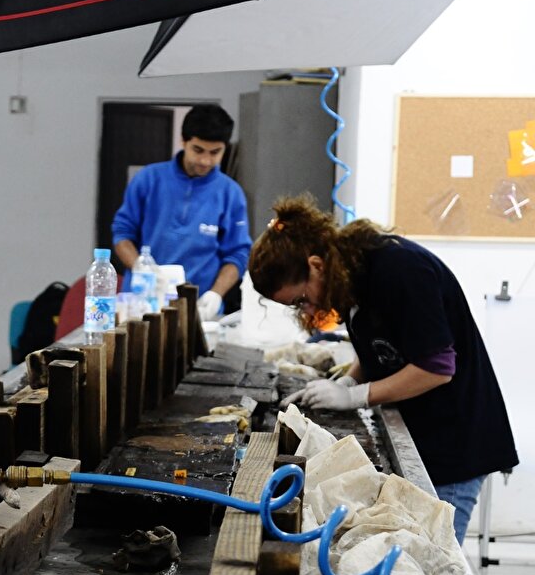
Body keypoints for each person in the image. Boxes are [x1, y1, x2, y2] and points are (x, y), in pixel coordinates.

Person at [250, 195, 518, 545]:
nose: (308, 308)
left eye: (302, 299)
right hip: (424, 432)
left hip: (457, 441)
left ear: (315, 264)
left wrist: (355, 396)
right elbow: (379, 342)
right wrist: (350, 377)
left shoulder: (400, 269)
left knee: (432, 557)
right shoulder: (347, 274)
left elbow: (436, 367)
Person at [111, 103, 251, 321]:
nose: (206, 160)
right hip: (142, 306)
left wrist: (216, 294)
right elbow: (122, 235)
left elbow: (238, 254)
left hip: (199, 310)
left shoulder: (231, 194)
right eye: (198, 150)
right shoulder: (148, 180)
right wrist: (141, 267)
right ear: (183, 141)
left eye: (215, 152)